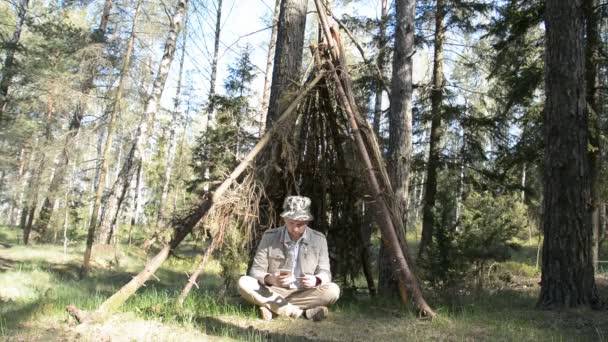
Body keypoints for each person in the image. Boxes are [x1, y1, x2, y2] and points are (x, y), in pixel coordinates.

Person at [238, 196, 340, 321]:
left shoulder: (319, 239)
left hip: (304, 293)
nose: (295, 228)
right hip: (273, 291)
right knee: (244, 282)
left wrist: (316, 280)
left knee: (333, 290)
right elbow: (255, 271)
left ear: (307, 221)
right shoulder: (269, 237)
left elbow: (325, 273)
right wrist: (271, 279)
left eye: (300, 224)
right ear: (284, 219)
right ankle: (300, 313)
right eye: (291, 223)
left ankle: (273, 309)